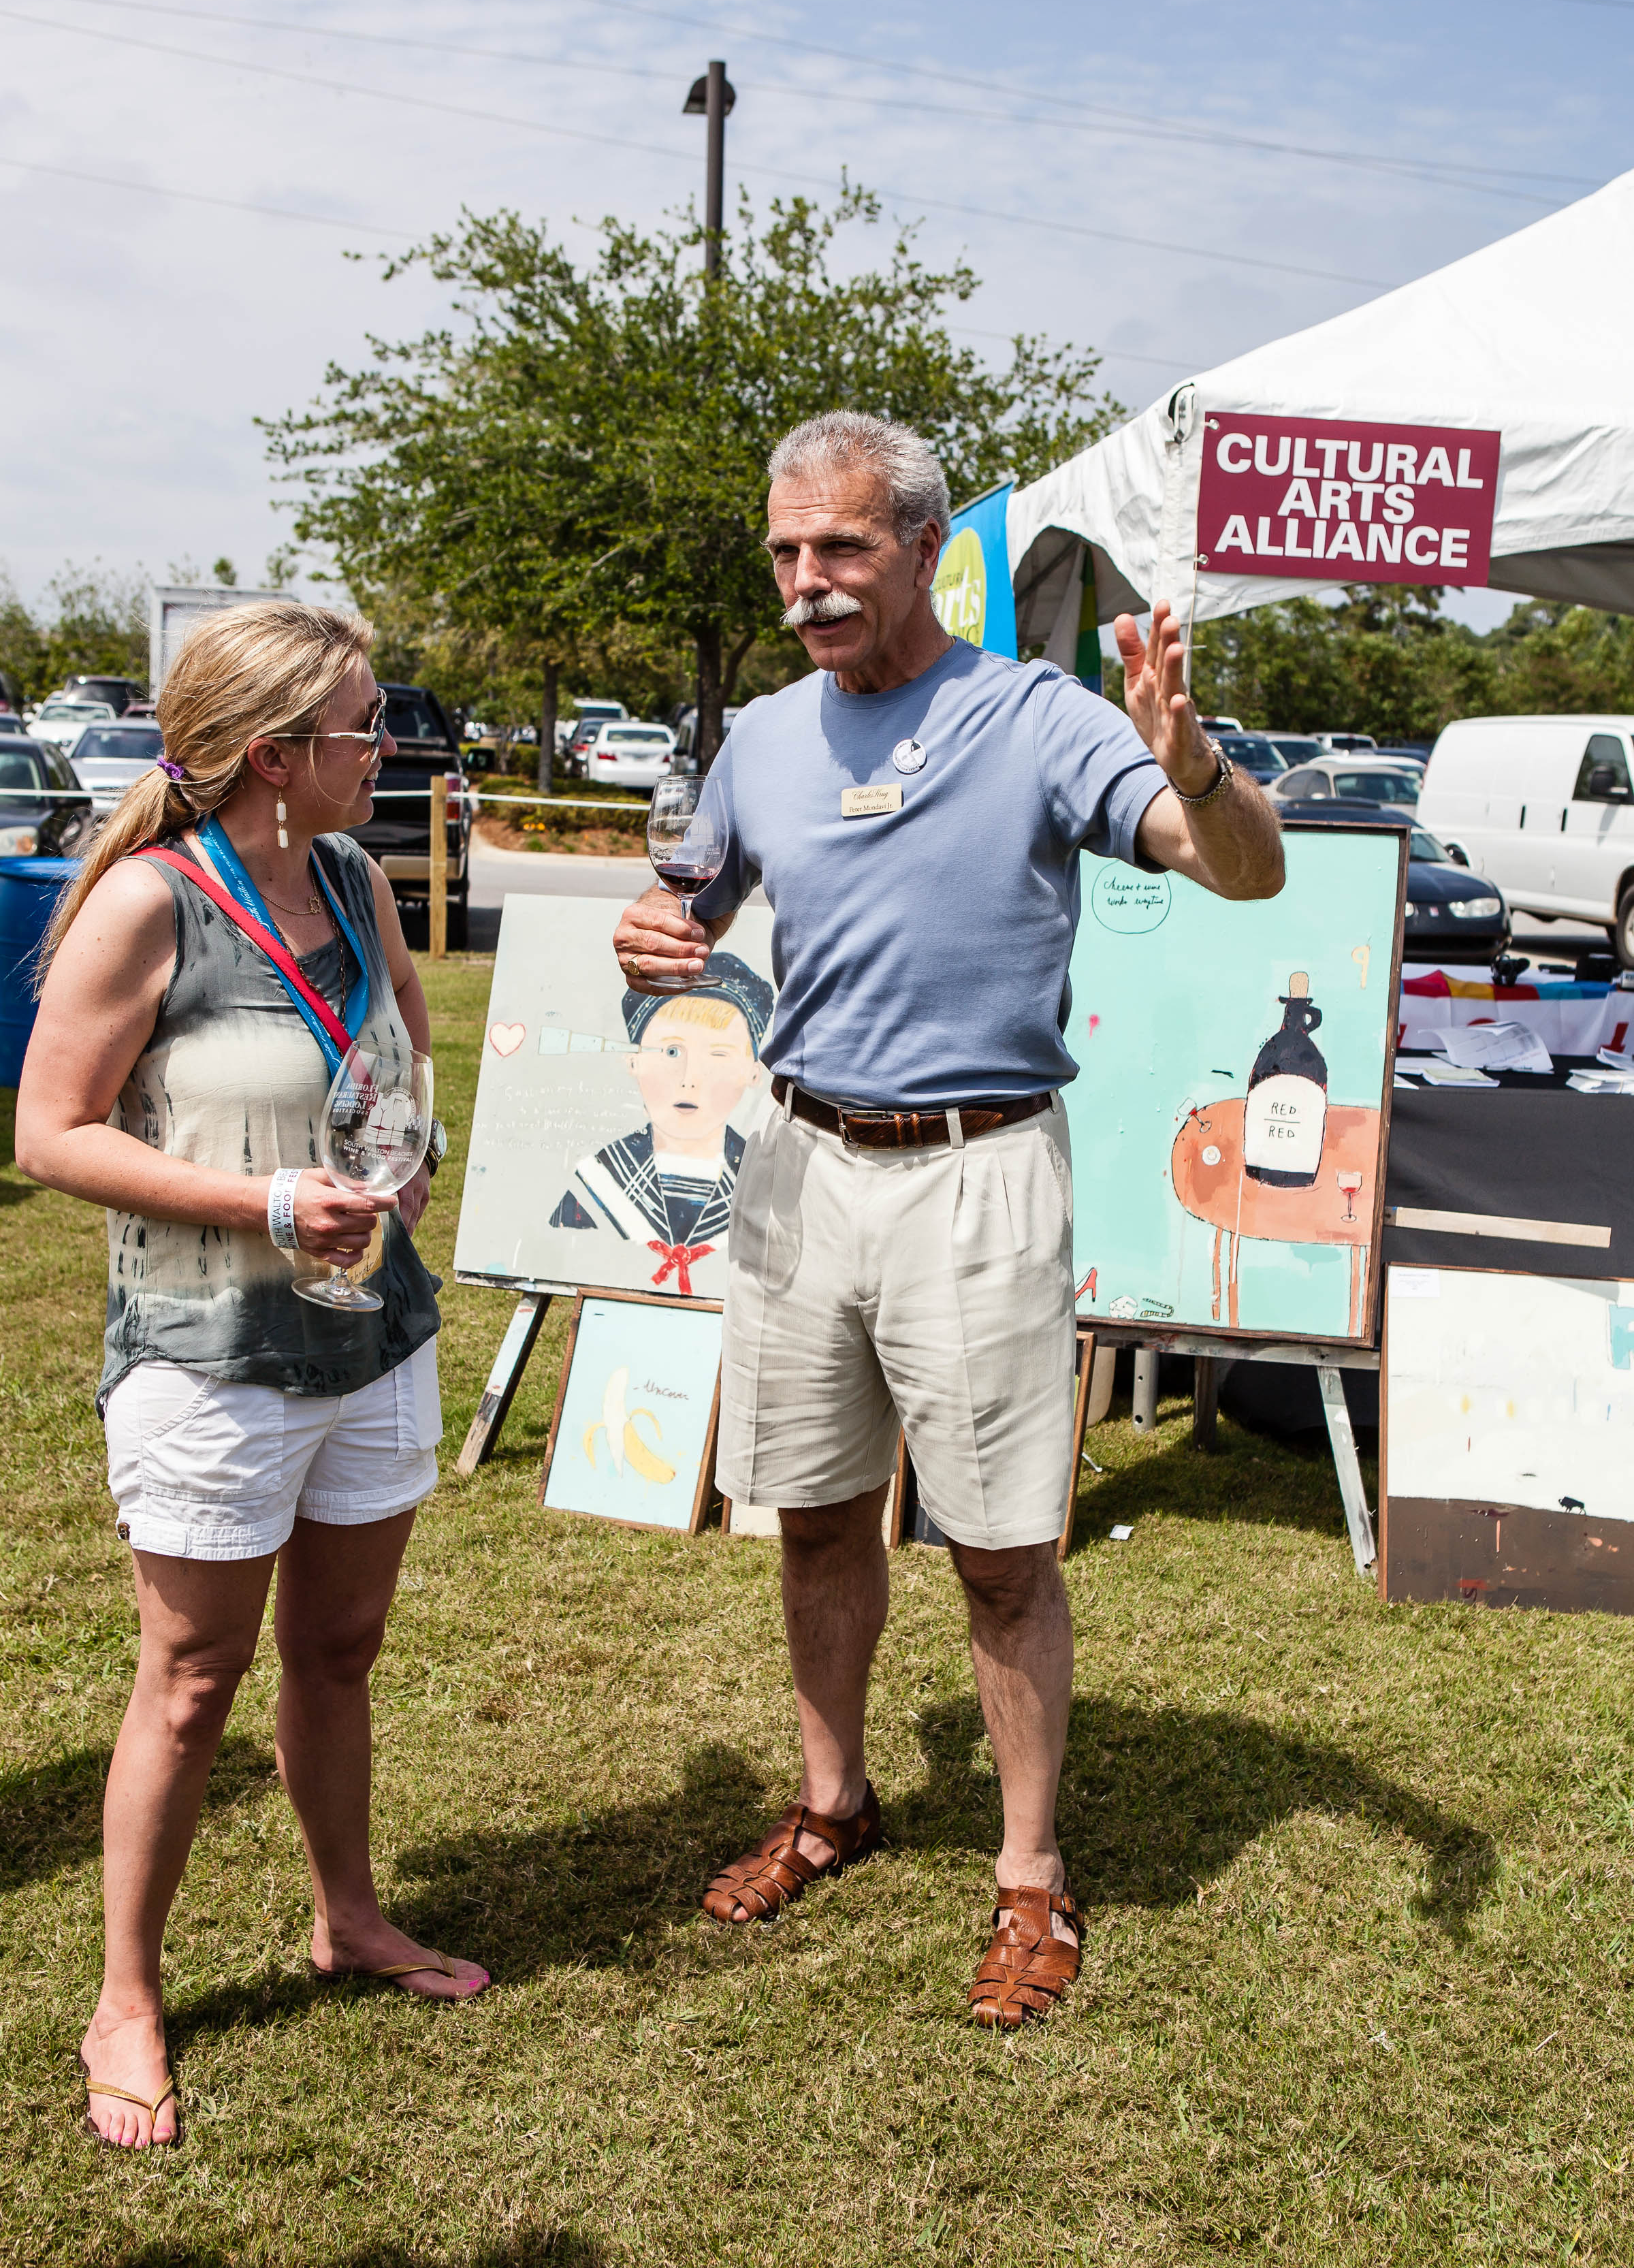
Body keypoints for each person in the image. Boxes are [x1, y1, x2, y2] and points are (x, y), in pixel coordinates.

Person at [613, 409, 1283, 2028]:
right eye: (785, 552)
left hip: (979, 1170)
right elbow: (685, 899)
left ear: (923, 548)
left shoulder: (1037, 716)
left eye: (842, 547)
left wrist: (1189, 758)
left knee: (998, 1552)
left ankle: (1030, 1876)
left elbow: (1242, 871)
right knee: (815, 1514)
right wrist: (654, 928)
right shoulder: (763, 734)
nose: (807, 581)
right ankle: (830, 1801)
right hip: (800, 1164)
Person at [15, 602, 487, 2154]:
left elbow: (401, 1042)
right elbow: (50, 1135)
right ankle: (125, 1999)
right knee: (193, 1675)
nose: (389, 747)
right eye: (364, 725)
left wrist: (405, 1155)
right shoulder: (147, 903)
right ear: (274, 754)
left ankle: (347, 1917)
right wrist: (268, 1200)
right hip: (210, 1353)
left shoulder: (355, 878)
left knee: (340, 1648)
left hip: (370, 1334)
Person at [549, 952, 772, 1292]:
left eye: (718, 1055)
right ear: (633, 1061)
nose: (690, 1078)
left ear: (753, 1073)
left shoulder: (765, 1185)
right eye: (671, 1052)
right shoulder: (598, 1183)